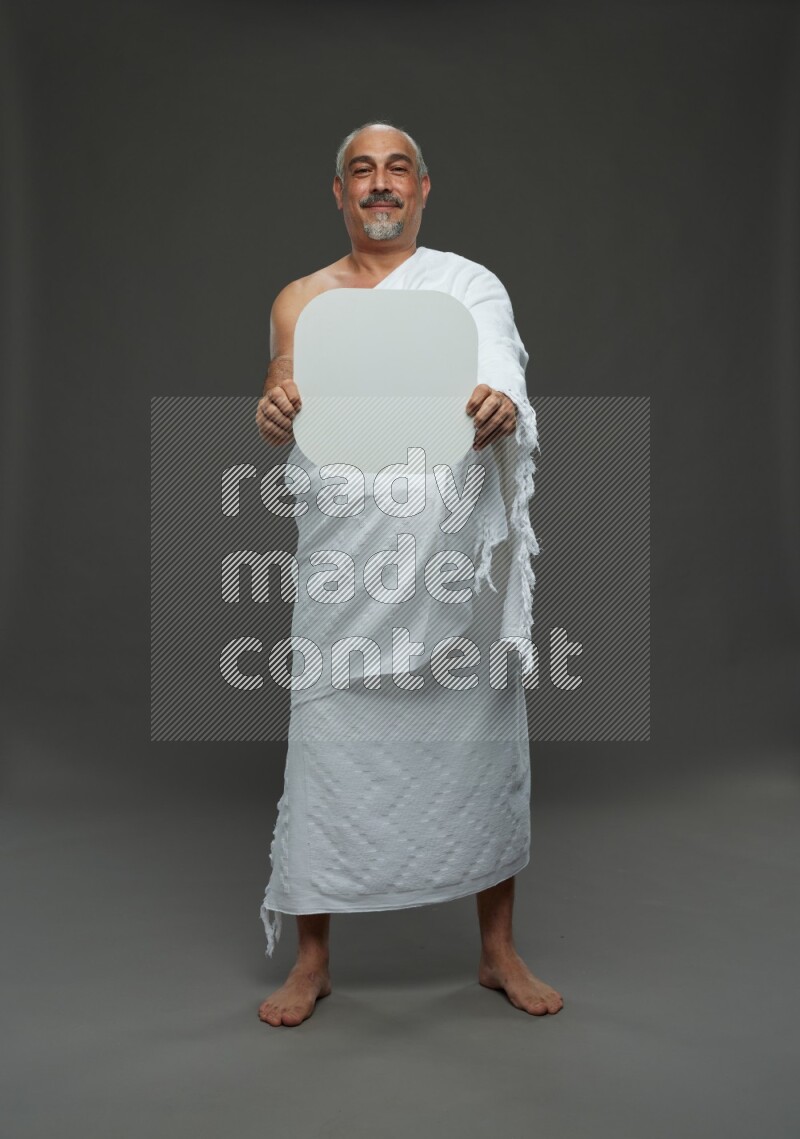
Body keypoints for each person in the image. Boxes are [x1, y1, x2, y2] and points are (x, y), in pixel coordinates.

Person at [254, 121, 563, 1026]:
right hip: (347, 566)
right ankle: (312, 960)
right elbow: (283, 384)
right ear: (340, 193)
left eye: (397, 170)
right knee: (325, 743)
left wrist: (501, 399)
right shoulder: (301, 299)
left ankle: (497, 950)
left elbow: (498, 362)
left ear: (423, 188)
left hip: (452, 561)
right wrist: (273, 406)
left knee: (480, 740)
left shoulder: (468, 287)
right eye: (362, 171)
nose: (380, 185)